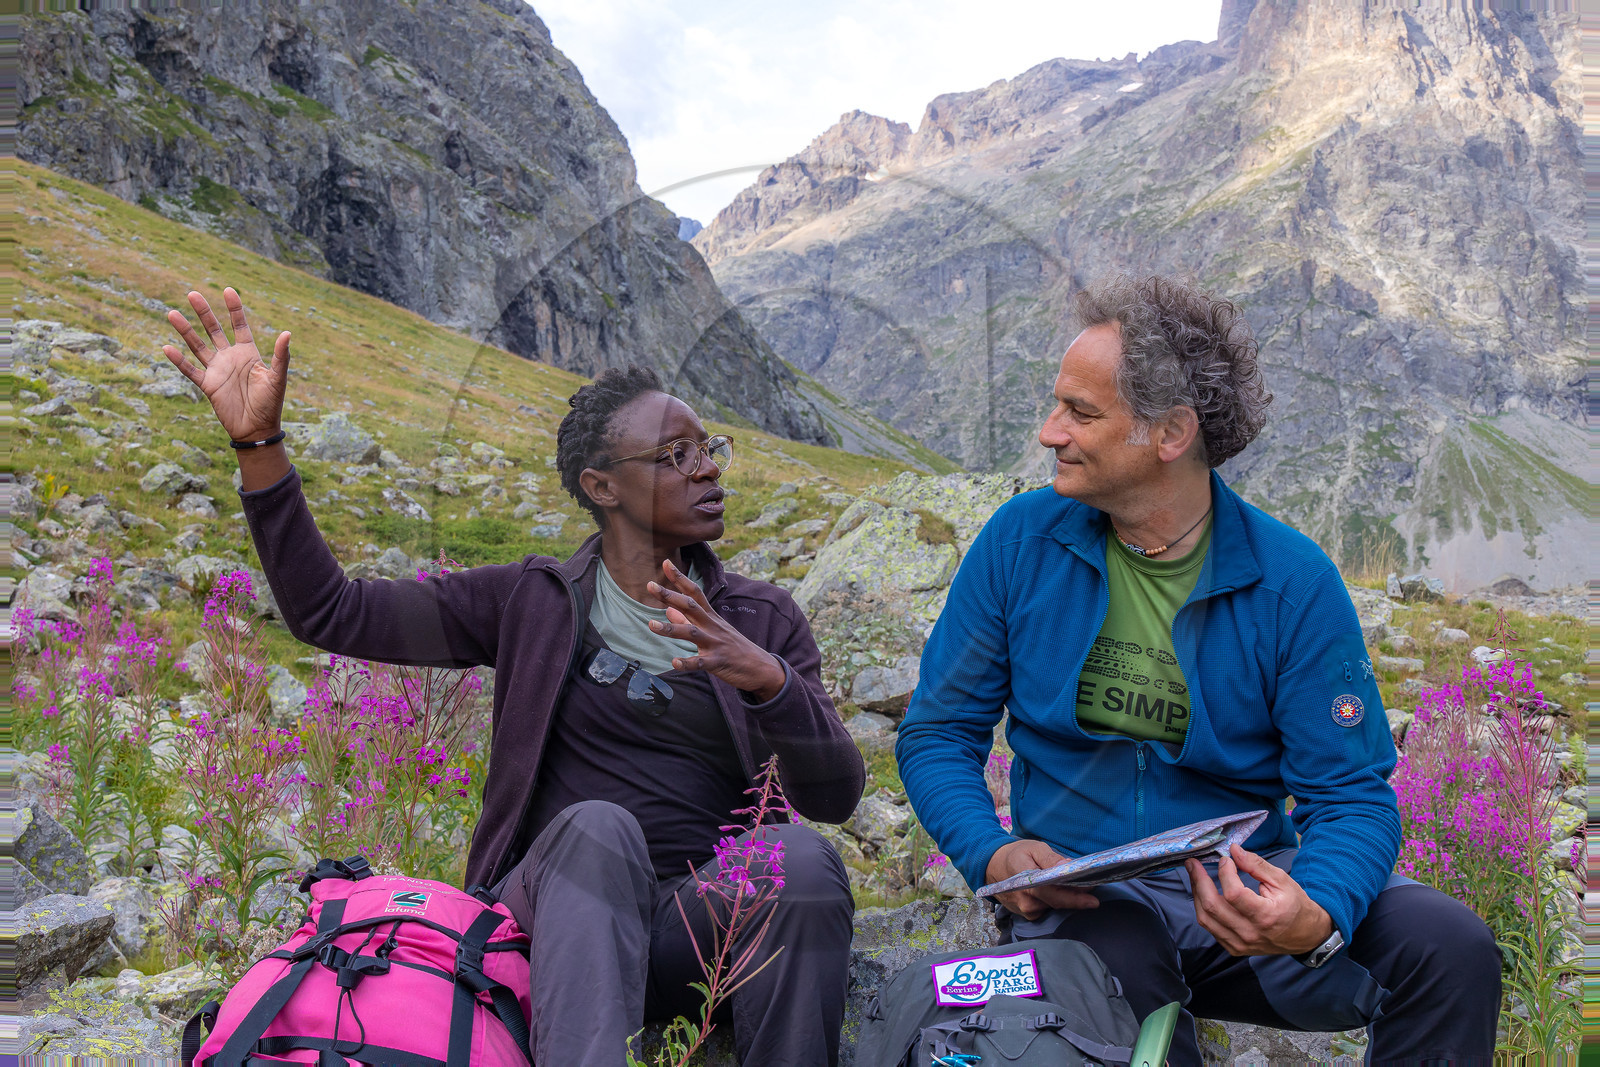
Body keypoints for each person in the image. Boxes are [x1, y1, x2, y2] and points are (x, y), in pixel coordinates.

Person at [162, 288, 864, 1067]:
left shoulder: (761, 619)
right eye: (675, 455)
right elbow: (331, 611)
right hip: (549, 927)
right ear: (603, 487)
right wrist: (261, 449)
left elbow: (834, 797)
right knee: (600, 829)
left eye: (710, 449)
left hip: (697, 927)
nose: (707, 469)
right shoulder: (528, 600)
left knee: (796, 858)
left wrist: (769, 681)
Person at [895, 274, 1500, 1064]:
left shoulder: (1291, 580)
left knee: (1448, 947)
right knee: (1128, 1004)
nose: (1050, 432)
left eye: (1080, 412)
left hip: (1248, 899)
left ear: (1170, 432)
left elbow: (1351, 793)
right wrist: (992, 853)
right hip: (1084, 902)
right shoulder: (1019, 544)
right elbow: (938, 731)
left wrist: (1316, 907)